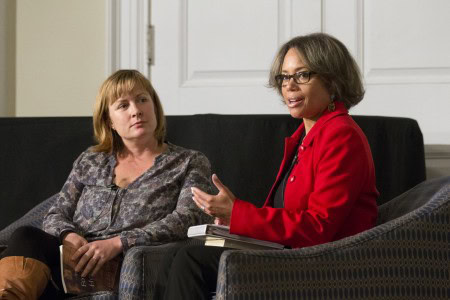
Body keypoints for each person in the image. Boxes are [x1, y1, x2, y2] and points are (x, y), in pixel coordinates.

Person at [156, 33, 380, 299]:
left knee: (191, 260)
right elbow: (287, 214)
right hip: (292, 254)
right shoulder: (305, 138)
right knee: (177, 254)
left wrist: (240, 213)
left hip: (322, 264)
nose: (289, 86)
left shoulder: (341, 135)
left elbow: (319, 227)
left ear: (332, 81)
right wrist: (232, 219)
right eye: (284, 77)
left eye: (302, 75)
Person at [0, 70, 213, 299]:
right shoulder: (90, 160)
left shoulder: (188, 162)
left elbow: (187, 219)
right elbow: (56, 212)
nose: (136, 110)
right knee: (26, 237)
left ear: (154, 107)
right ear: (109, 120)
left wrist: (118, 243)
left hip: (125, 262)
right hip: (71, 262)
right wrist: (68, 235)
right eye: (123, 105)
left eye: (142, 99)